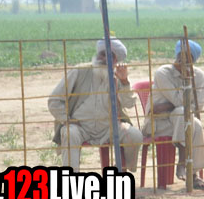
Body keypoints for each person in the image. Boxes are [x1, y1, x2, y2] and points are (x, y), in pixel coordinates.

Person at [48, 38, 142, 172]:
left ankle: (121, 171)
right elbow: (54, 100)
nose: (104, 58)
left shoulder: (118, 77)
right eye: (102, 54)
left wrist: (125, 81)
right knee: (69, 132)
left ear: (116, 61)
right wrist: (67, 119)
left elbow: (130, 103)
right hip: (81, 127)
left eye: (109, 56)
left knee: (135, 136)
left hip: (108, 127)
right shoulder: (79, 71)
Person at [142, 39, 204, 189]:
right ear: (176, 55)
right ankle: (185, 165)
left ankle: (192, 174)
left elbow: (197, 106)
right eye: (180, 56)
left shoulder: (198, 76)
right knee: (185, 115)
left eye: (188, 57)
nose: (183, 60)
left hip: (183, 120)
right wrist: (181, 98)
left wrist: (166, 106)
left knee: (193, 122)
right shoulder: (163, 73)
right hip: (159, 123)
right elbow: (178, 101)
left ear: (193, 60)